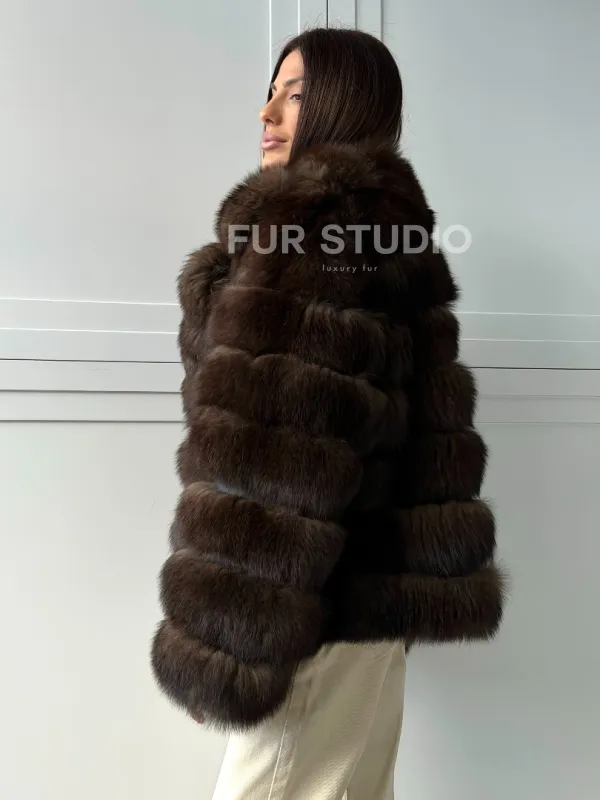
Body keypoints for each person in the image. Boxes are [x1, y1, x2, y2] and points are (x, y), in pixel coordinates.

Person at [150, 27, 507, 800]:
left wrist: (226, 647)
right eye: (272, 91)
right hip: (359, 610)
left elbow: (278, 463)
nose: (268, 112)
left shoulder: (312, 230)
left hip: (305, 618)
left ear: (344, 104)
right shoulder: (380, 227)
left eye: (297, 93)